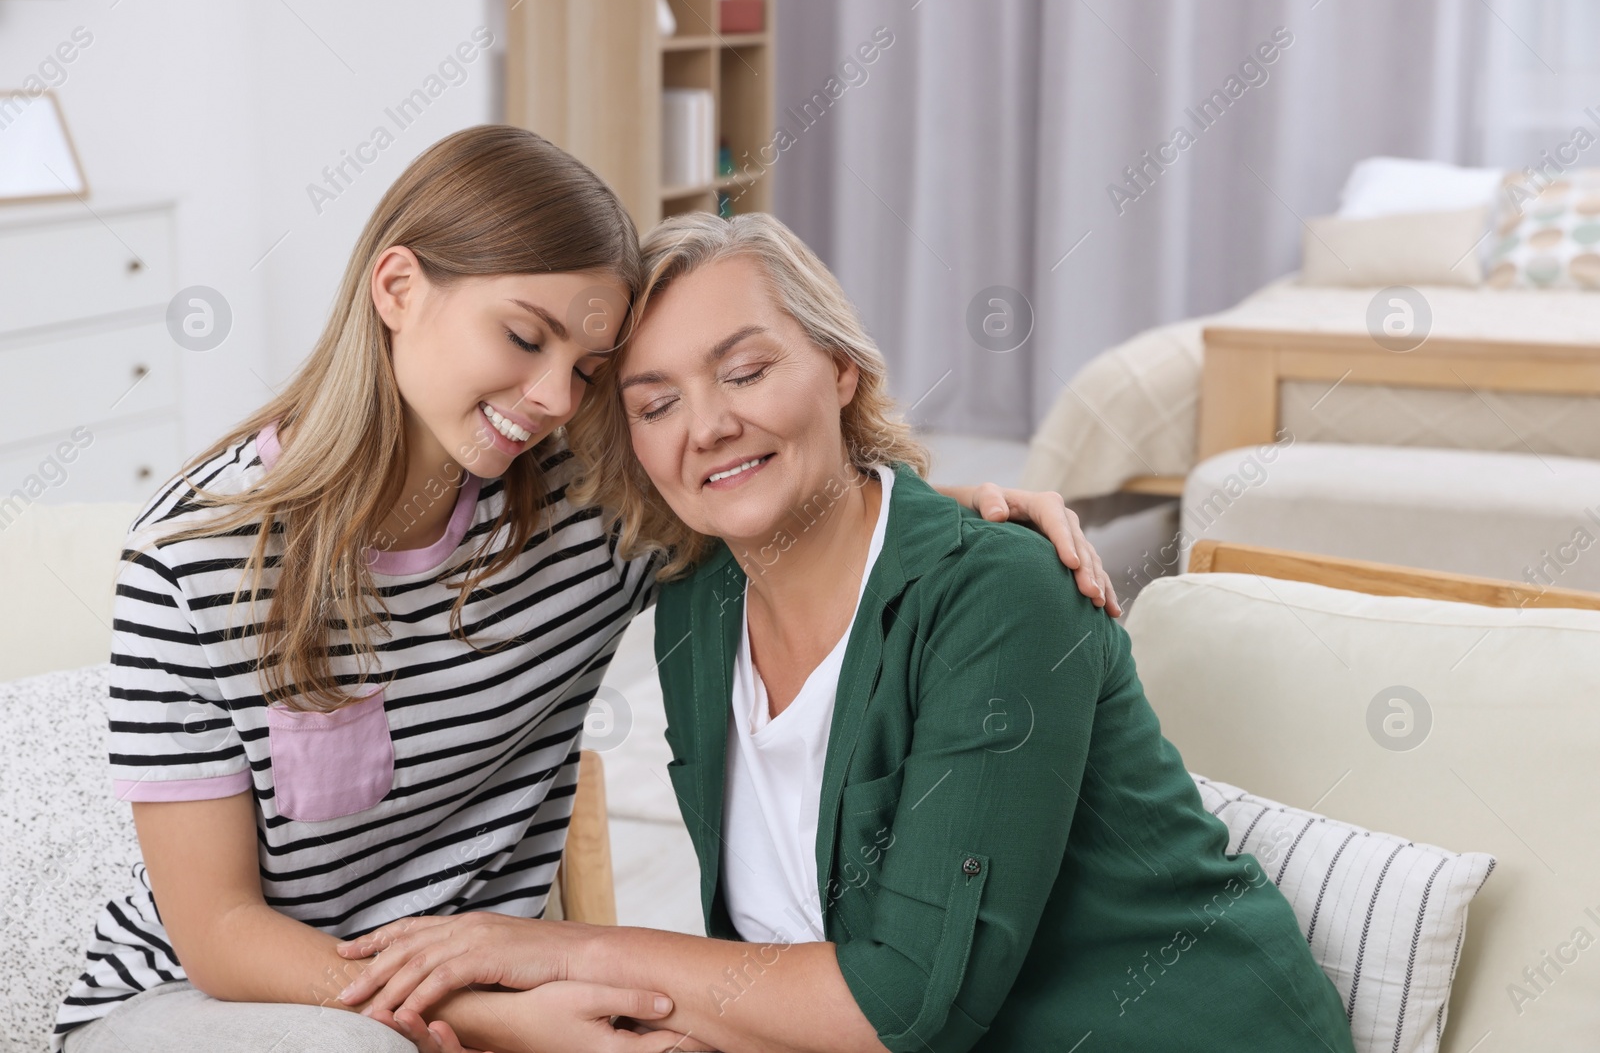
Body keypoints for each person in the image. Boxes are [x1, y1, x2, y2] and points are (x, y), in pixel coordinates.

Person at [55, 128, 1115, 1053]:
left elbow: (789, 503)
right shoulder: (192, 565)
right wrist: (484, 1013)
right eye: (523, 337)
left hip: (500, 979)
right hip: (220, 998)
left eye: (589, 367)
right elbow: (219, 929)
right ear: (397, 287)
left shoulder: (590, 508)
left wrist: (957, 514)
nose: (551, 398)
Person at [333, 212, 1358, 1053]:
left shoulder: (1000, 594)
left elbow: (903, 1000)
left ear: (838, 369)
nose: (706, 426)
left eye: (744, 371)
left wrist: (552, 947)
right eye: (656, 403)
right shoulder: (696, 603)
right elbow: (767, 963)